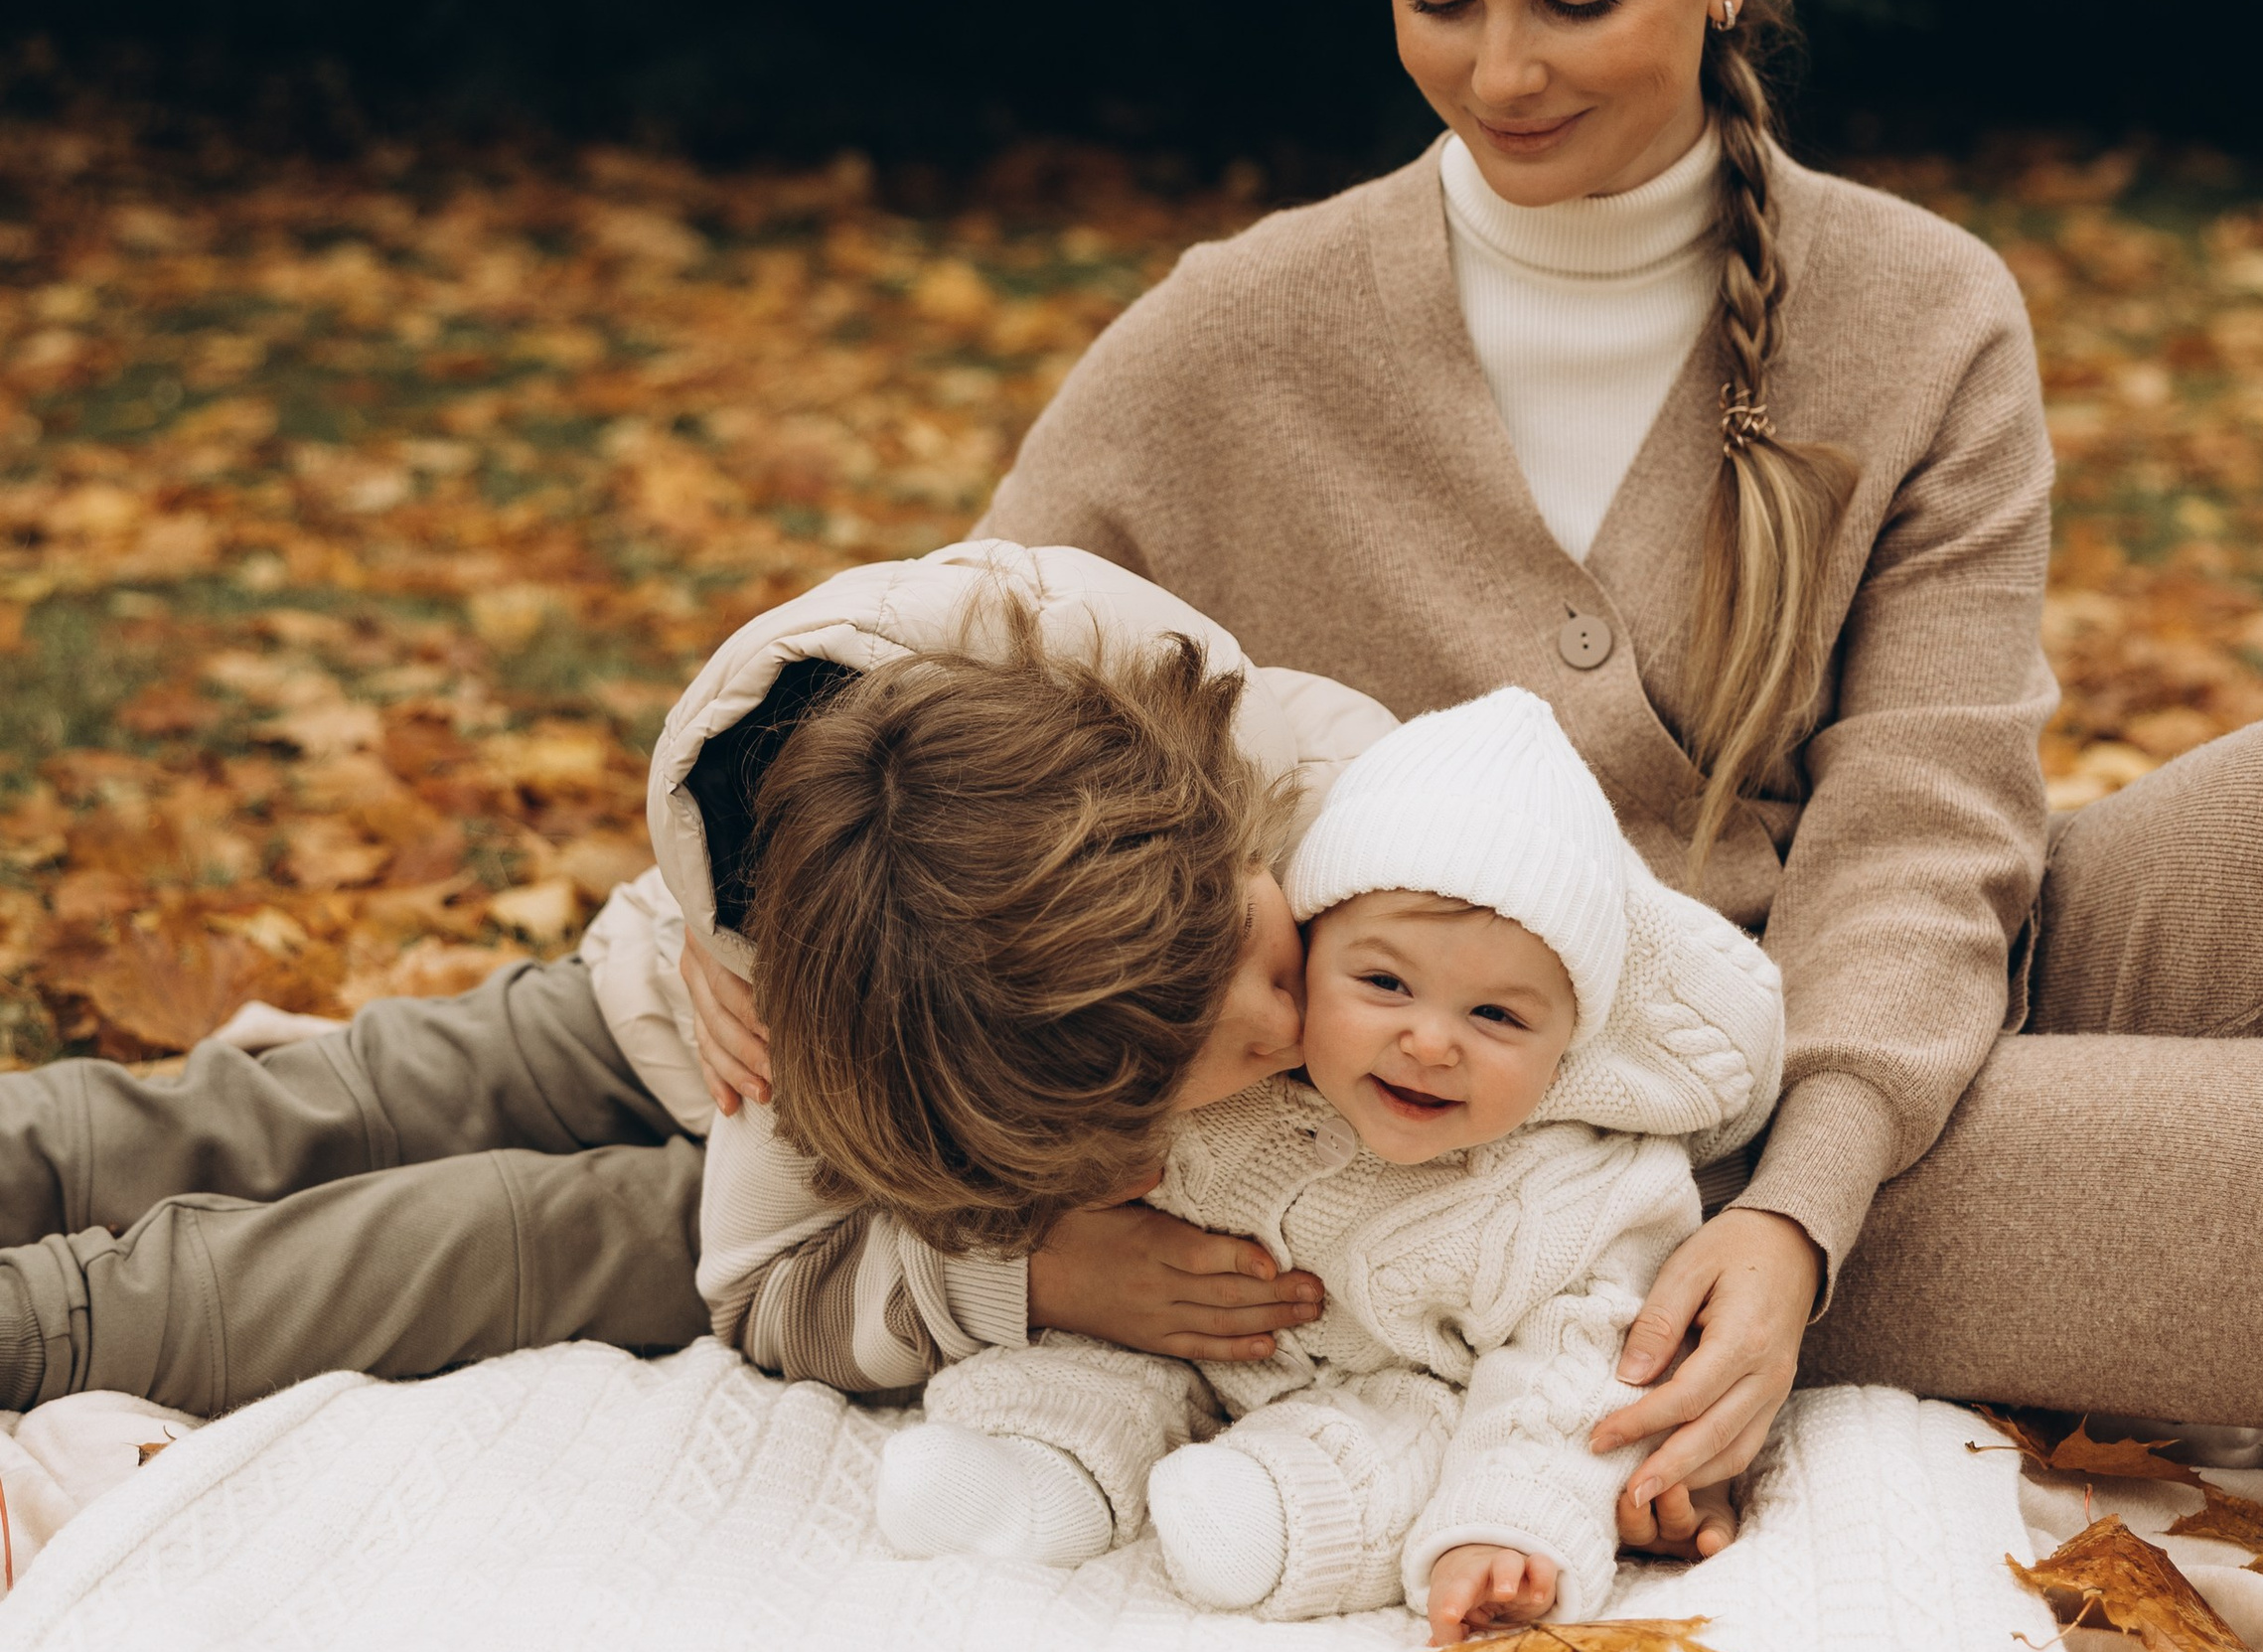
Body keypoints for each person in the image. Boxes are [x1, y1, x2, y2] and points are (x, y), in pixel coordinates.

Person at [688, 0, 2263, 1518]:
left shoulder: (1919, 314)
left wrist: (1818, 1202)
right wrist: (723, 894)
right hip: (1570, 1157)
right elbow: (946, 702)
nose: (1497, 71)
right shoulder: (1230, 342)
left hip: (1836, 1071)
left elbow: (1923, 815)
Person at [0, 547, 1386, 1417]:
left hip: (840, 1217)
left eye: (1253, 974)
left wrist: (1020, 1275)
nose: (1291, 1017)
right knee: (318, 1106)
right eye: (1217, 1029)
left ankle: (46, 1331)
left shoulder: (1364, 832)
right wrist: (734, 924)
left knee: (448, 1247)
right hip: (719, 1069)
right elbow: (769, 1267)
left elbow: (1587, 966)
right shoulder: (868, 924)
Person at [786, 686, 1781, 1632]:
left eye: (1496, 1016)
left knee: (1413, 1449)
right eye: (1383, 981)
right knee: (1089, 1364)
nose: (1432, 1042)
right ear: (1312, 947)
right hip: (1181, 1344)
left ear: (1571, 1038)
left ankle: (1272, 1512)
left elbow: (1574, 1374)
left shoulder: (1584, 1186)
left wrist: (1516, 1520)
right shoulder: (1228, 1076)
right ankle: (1032, 1472)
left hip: (1405, 1388)